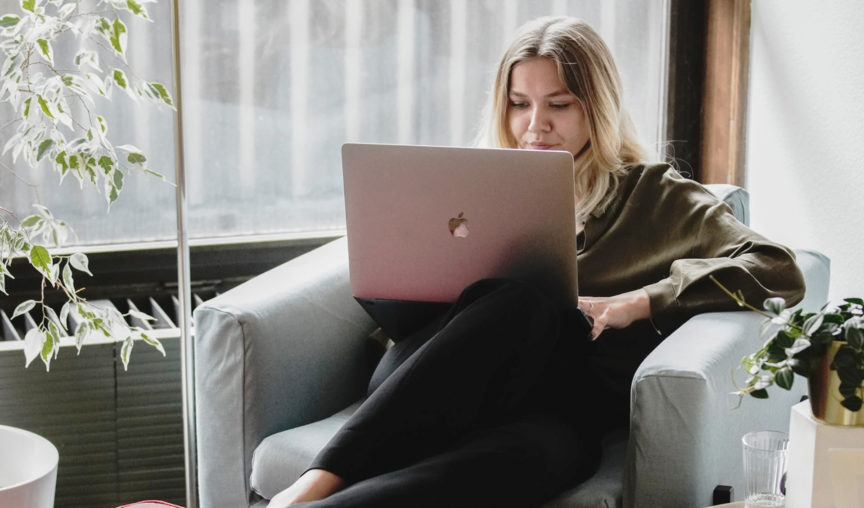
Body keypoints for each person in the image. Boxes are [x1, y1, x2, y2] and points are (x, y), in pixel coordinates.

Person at [268, 16, 805, 507]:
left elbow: (776, 267)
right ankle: (318, 480)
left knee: (536, 457)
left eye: (560, 104)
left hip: (561, 410)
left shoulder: (656, 196)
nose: (535, 126)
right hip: (429, 379)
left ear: (598, 105)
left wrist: (640, 302)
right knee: (523, 303)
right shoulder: (473, 186)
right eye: (520, 103)